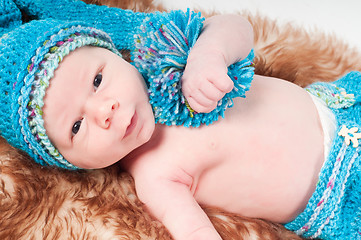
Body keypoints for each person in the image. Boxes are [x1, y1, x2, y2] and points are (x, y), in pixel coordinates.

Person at [0, 0, 360, 239]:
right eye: (77, 127)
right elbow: (195, 231)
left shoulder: (170, 61)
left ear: (117, 54)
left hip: (339, 105)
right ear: (69, 164)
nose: (103, 111)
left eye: (97, 80)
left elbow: (236, 27)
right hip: (338, 190)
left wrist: (211, 52)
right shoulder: (153, 176)